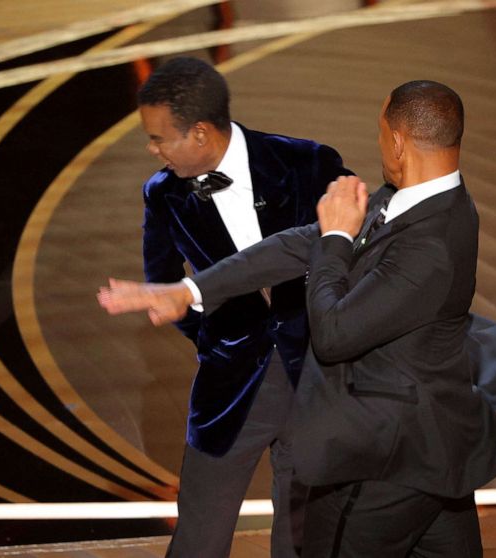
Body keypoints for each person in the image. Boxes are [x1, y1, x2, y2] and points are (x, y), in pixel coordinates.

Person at [102, 80, 496, 556]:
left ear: (397, 142)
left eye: (380, 130)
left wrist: (336, 241)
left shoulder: (429, 244)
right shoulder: (414, 201)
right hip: (436, 453)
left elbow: (332, 333)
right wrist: (191, 290)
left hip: (393, 463)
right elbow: (296, 243)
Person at [125, 56, 351, 558]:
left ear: (201, 133)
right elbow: (163, 283)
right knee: (200, 535)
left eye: (160, 138)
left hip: (318, 377)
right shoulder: (162, 195)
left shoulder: (309, 163)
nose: (152, 149)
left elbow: (358, 251)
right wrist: (215, 336)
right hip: (230, 386)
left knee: (304, 539)